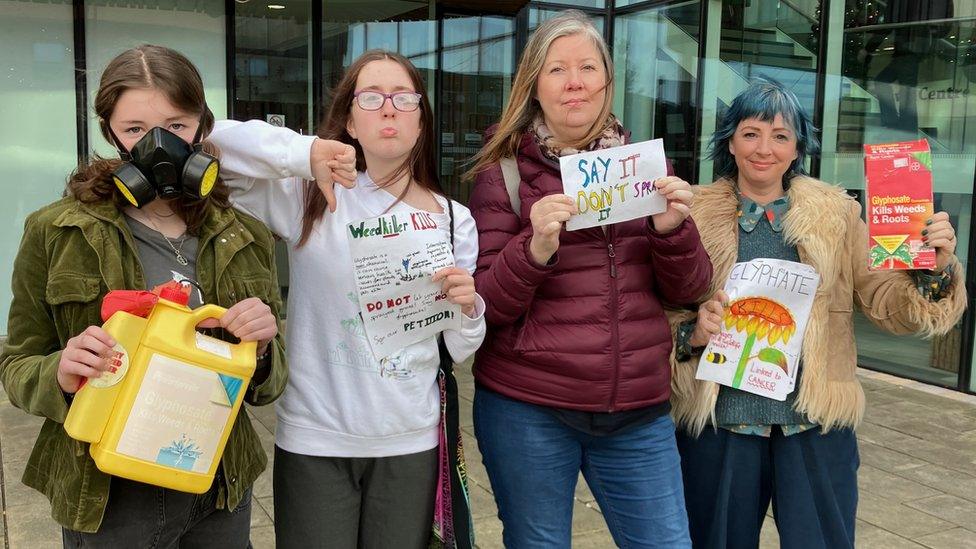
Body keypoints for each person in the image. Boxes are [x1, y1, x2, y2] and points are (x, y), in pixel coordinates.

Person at [0, 45, 287, 547]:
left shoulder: (245, 234)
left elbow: (269, 383)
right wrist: (61, 374)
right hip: (110, 495)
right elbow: (18, 363)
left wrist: (260, 350)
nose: (158, 144)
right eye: (135, 129)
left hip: (220, 485)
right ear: (111, 133)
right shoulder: (55, 230)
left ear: (203, 125)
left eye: (176, 126)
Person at [668, 78, 967, 549]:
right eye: (750, 133)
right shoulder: (691, 216)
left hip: (814, 421)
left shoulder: (838, 215)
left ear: (798, 147)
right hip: (720, 422)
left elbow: (892, 308)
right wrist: (691, 333)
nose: (764, 148)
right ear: (729, 140)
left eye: (780, 136)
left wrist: (937, 268)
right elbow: (658, 311)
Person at [206, 49, 486, 548]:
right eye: (371, 97)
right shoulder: (307, 196)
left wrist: (469, 309)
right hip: (316, 435)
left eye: (404, 98)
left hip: (410, 436)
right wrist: (306, 153)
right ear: (350, 121)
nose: (389, 109)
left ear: (421, 120)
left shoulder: (452, 218)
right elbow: (213, 145)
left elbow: (460, 347)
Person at [464, 10, 710, 548]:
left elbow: (690, 291)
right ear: (534, 85)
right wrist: (534, 250)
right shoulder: (502, 172)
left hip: (638, 411)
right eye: (557, 69)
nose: (574, 82)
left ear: (607, 81)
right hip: (531, 406)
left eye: (587, 67)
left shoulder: (641, 170)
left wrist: (673, 232)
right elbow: (485, 305)